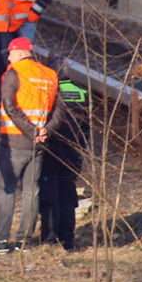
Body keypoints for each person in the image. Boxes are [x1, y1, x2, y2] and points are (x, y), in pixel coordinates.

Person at [0, 36, 64, 254]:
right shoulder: (50, 74)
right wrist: (45, 131)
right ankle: (23, 240)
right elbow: (59, 110)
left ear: (21, 53)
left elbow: (9, 106)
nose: (9, 59)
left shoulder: (14, 73)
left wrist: (30, 131)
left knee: (6, 189)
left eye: (11, 54)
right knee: (31, 191)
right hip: (40, 143)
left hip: (15, 140)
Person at [38, 77, 89, 251]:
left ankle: (50, 239)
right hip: (73, 151)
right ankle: (67, 239)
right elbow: (86, 126)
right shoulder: (81, 91)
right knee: (68, 194)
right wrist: (81, 147)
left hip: (51, 149)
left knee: (49, 194)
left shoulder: (50, 89)